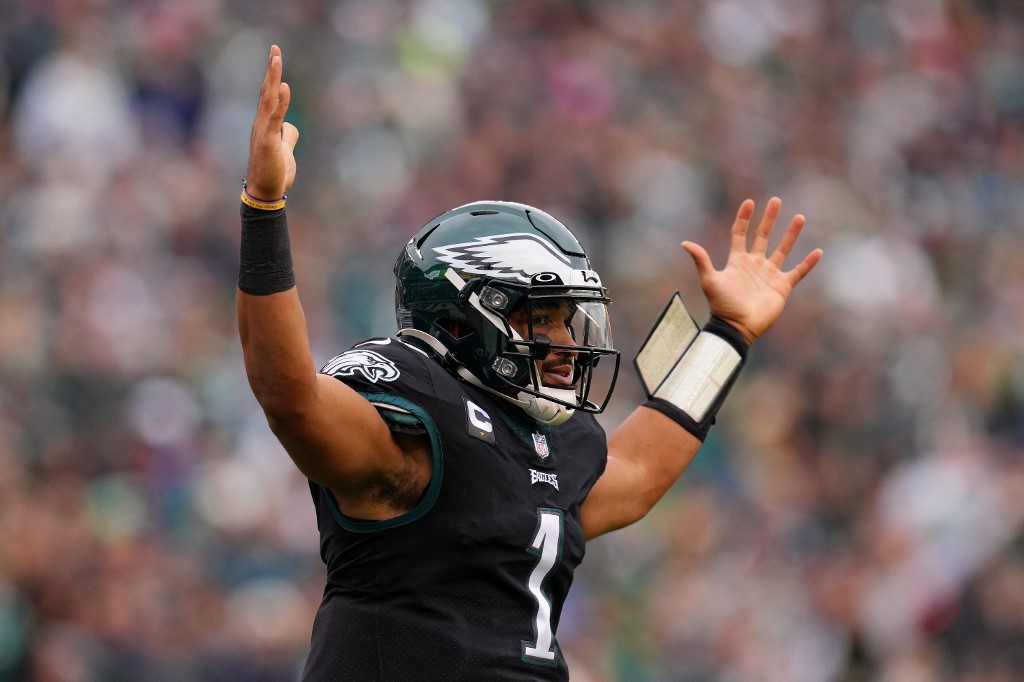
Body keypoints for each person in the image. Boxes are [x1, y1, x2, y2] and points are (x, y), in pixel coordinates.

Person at [237, 45, 822, 681]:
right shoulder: (414, 421)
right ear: (459, 318)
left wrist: (728, 334)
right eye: (538, 317)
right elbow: (290, 396)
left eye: (565, 318)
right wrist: (265, 210)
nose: (564, 341)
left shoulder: (550, 443)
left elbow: (641, 470)